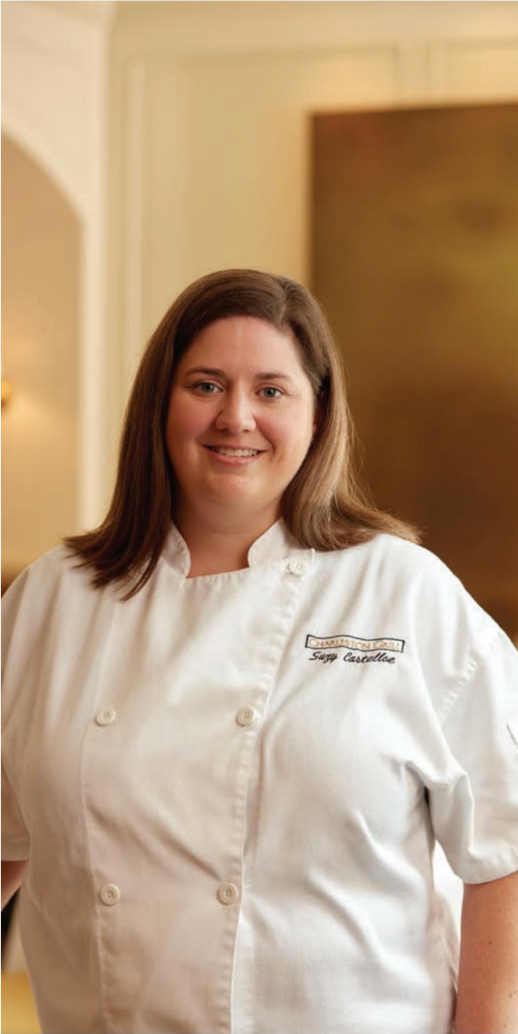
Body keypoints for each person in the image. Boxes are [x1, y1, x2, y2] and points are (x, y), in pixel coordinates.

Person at [2, 268, 517, 1034]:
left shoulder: (401, 592)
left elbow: (504, 851)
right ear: (159, 406)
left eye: (271, 391)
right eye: (205, 385)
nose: (235, 417)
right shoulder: (50, 600)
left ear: (317, 416)